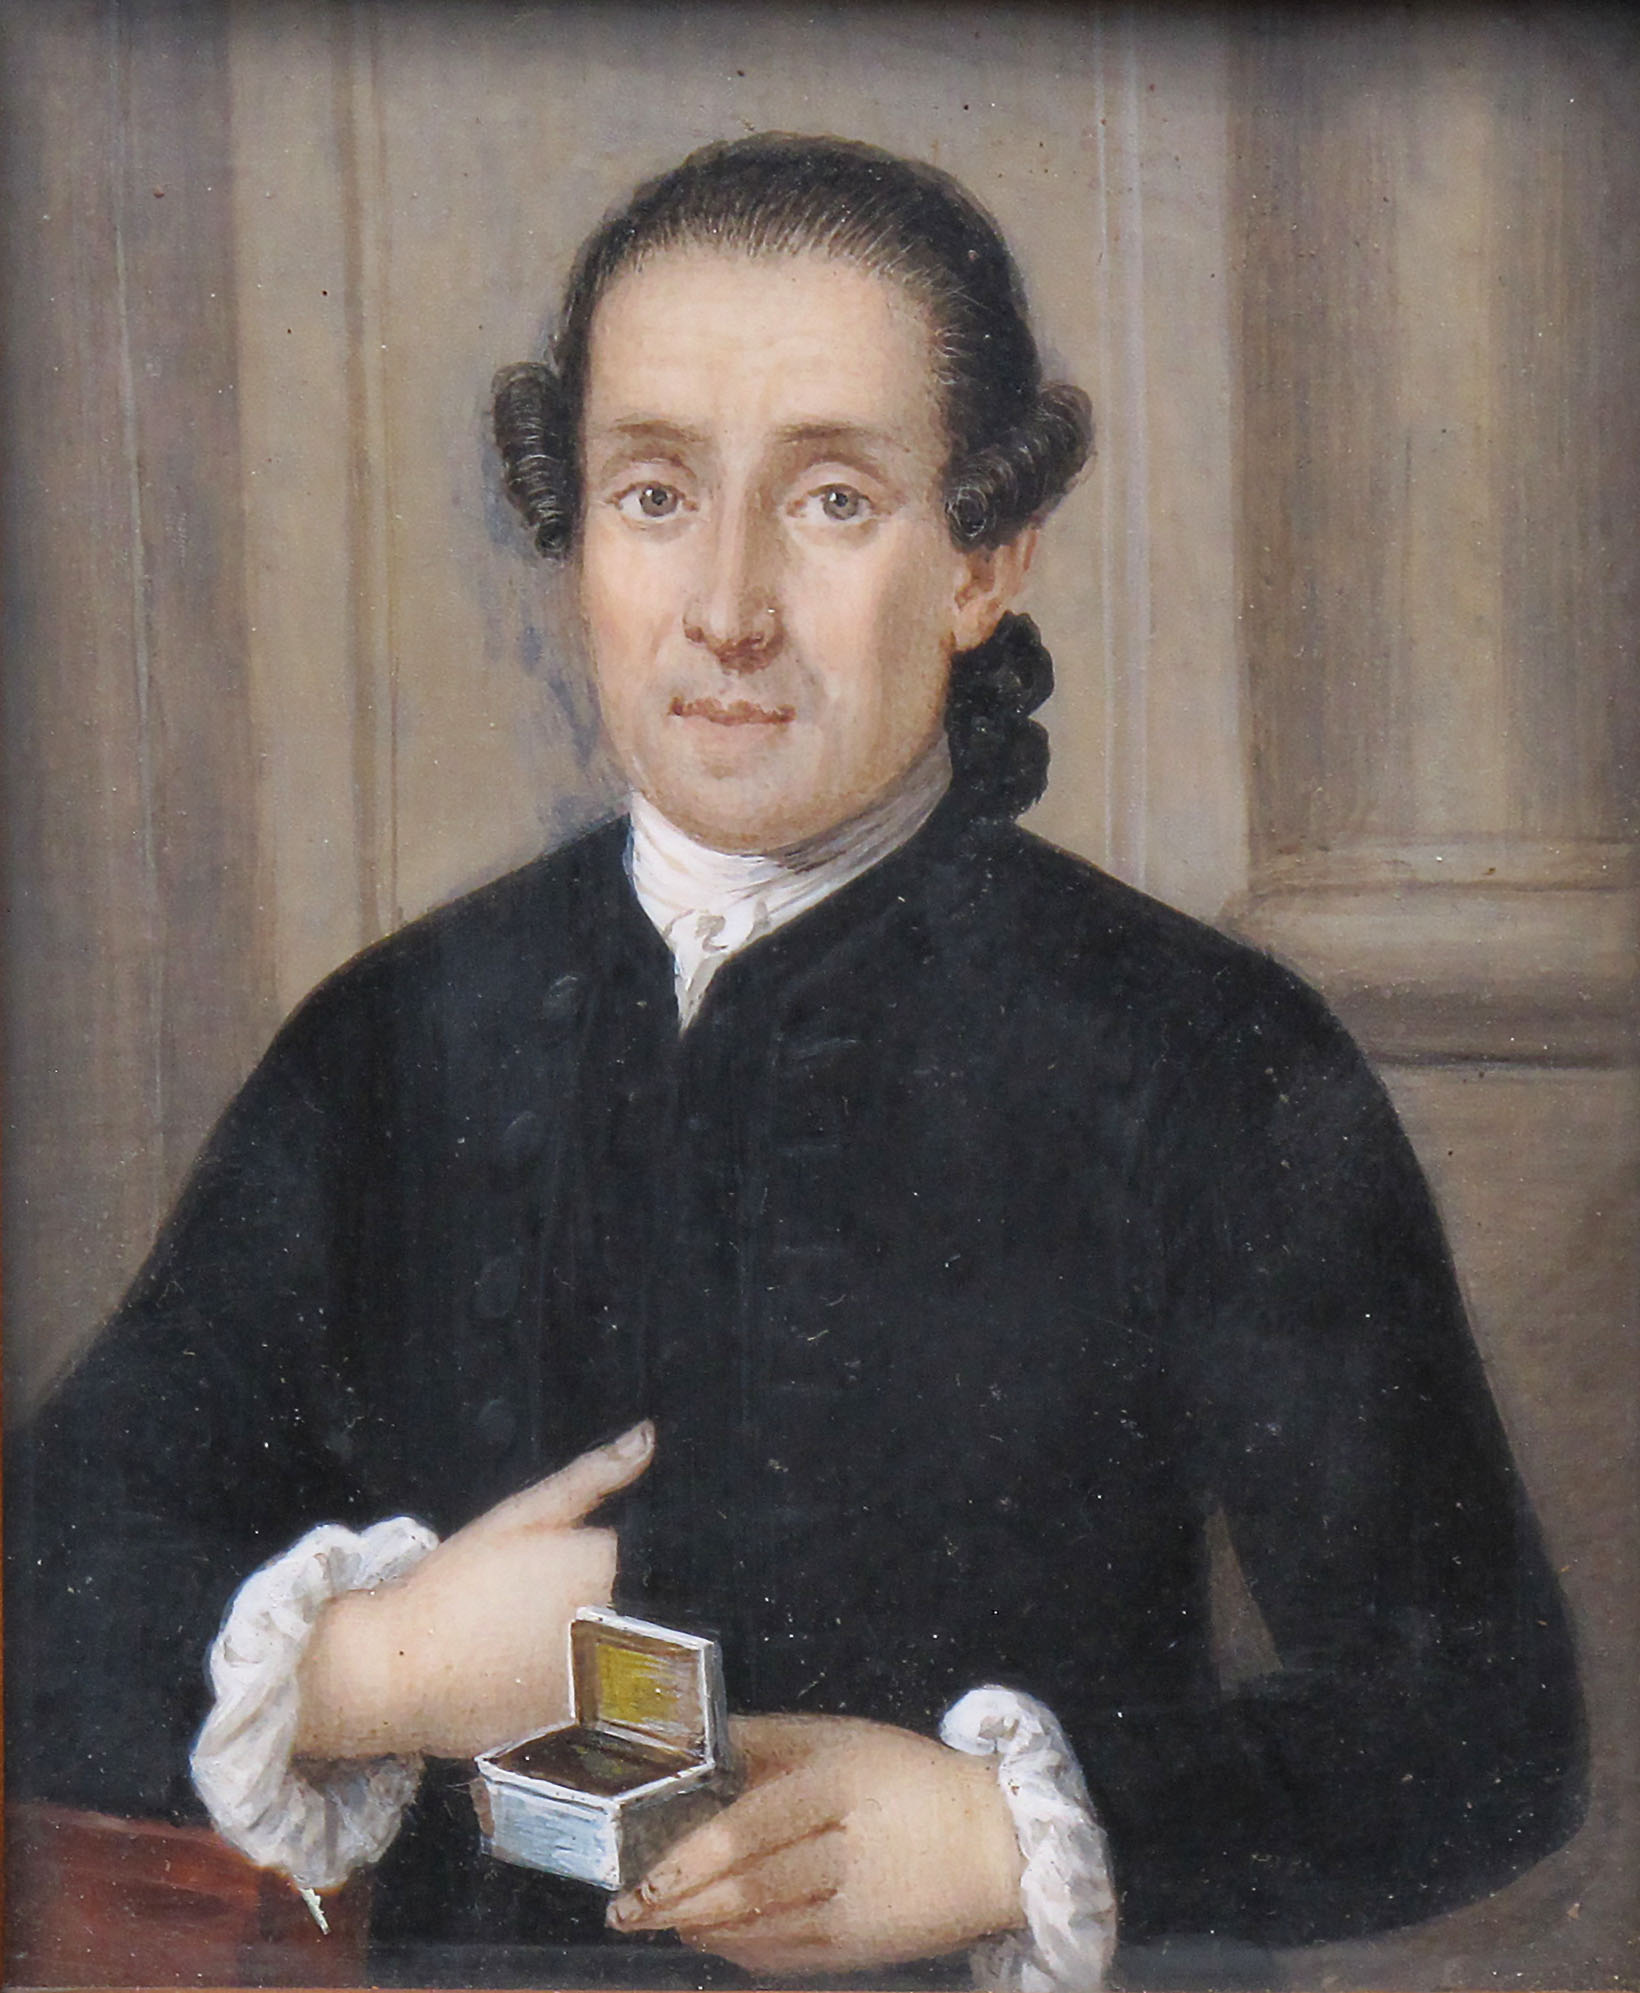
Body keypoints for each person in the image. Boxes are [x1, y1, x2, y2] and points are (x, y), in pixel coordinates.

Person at [6, 135, 1586, 1989]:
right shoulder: (392, 1041)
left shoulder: (1206, 1058)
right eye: (655, 495)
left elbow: (1481, 1727)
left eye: (834, 500)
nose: (729, 605)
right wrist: (378, 1667)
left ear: (986, 557)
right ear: (576, 539)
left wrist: (996, 1835)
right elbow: (50, 1577)